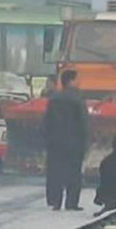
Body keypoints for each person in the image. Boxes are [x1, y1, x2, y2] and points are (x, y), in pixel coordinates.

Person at [42, 69, 88, 210]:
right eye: (76, 79)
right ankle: (71, 202)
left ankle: (56, 202)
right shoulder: (78, 99)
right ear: (71, 81)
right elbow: (83, 122)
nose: (78, 82)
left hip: (55, 141)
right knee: (73, 172)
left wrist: (47, 138)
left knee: (56, 172)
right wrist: (85, 141)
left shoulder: (54, 98)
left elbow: (47, 121)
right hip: (74, 141)